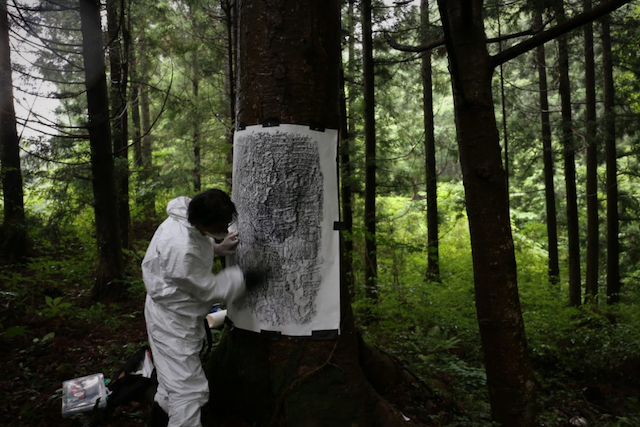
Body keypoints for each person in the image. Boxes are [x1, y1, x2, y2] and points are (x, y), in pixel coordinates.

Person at [142, 189, 259, 427]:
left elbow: (194, 240)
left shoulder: (185, 215)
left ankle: (158, 420)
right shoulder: (182, 251)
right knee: (187, 392)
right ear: (204, 222)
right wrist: (242, 280)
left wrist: (216, 248)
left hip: (170, 311)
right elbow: (208, 288)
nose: (225, 227)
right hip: (172, 321)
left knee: (171, 381)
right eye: (221, 224)